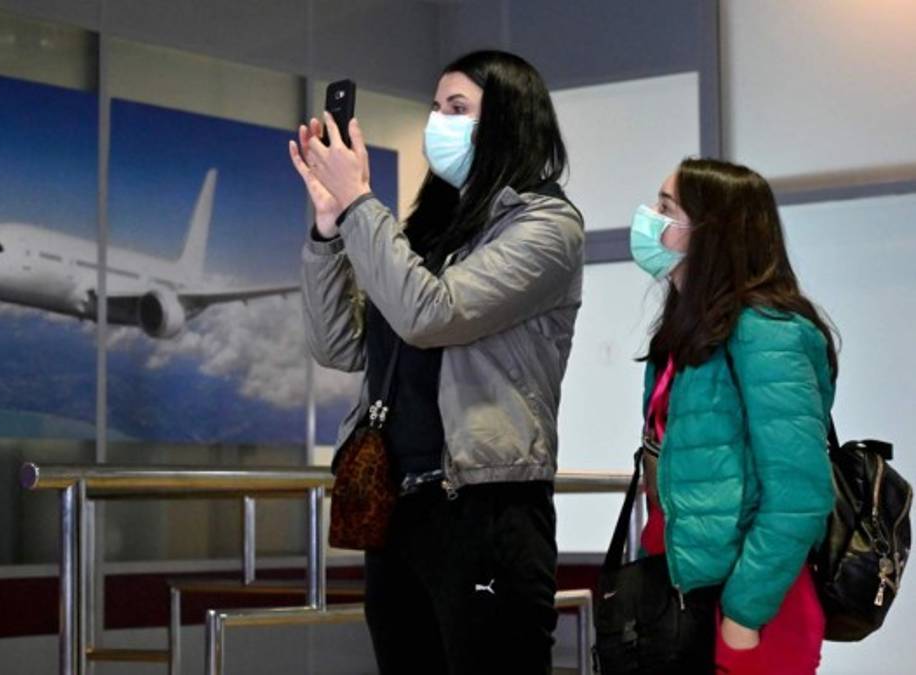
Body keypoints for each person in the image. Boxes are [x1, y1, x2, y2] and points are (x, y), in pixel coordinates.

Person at [289, 50, 584, 674]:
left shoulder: (547, 225)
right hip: (397, 506)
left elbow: (432, 314)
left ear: (507, 120)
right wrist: (329, 230)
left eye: (458, 108)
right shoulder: (429, 230)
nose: (438, 123)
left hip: (484, 504)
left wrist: (359, 201)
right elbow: (339, 344)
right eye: (435, 107)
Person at [630, 158, 836, 674]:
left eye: (666, 208)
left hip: (750, 612)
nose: (649, 217)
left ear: (713, 231)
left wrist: (744, 614)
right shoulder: (684, 334)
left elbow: (800, 492)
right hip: (687, 600)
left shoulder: (767, 332)